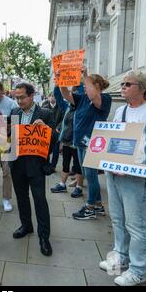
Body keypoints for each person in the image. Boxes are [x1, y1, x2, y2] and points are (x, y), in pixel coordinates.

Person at [101, 70, 146, 286]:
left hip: (135, 178)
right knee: (117, 219)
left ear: (143, 88)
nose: (123, 87)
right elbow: (115, 139)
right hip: (114, 173)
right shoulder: (121, 111)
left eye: (128, 84)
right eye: (123, 84)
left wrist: (130, 167)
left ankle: (138, 270)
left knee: (136, 225)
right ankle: (120, 256)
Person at [58, 68, 112, 220]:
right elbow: (65, 94)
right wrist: (62, 81)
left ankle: (89, 207)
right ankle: (99, 206)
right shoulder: (82, 99)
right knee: (89, 174)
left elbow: (94, 95)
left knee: (91, 176)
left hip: (93, 144)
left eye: (87, 84)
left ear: (97, 86)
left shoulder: (104, 98)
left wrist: (85, 75)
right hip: (80, 143)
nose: (84, 86)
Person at [9, 83, 55, 256]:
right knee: (21, 198)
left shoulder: (46, 113)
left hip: (36, 165)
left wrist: (47, 129)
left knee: (39, 200)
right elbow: (8, 135)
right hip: (17, 163)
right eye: (16, 97)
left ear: (32, 96)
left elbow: (55, 141)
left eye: (22, 97)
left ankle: (44, 237)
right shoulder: (14, 113)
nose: (19, 101)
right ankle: (26, 226)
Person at [50, 85, 84, 198]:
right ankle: (62, 184)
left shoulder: (82, 107)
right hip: (66, 140)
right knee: (65, 163)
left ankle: (79, 187)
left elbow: (80, 93)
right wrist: (57, 84)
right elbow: (59, 97)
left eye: (73, 92)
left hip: (77, 142)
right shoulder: (68, 107)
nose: (71, 94)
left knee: (78, 165)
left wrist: (79, 80)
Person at [0, 80, 17, 212]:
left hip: (6, 139)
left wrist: (7, 126)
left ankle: (6, 199)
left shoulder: (11, 103)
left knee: (7, 170)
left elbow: (16, 120)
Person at [41, 94, 64, 171]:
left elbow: (63, 119)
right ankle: (46, 164)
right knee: (46, 148)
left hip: (56, 131)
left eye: (53, 96)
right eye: (50, 96)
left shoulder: (60, 107)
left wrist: (58, 128)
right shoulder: (44, 106)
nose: (52, 98)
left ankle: (53, 166)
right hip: (46, 131)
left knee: (55, 150)